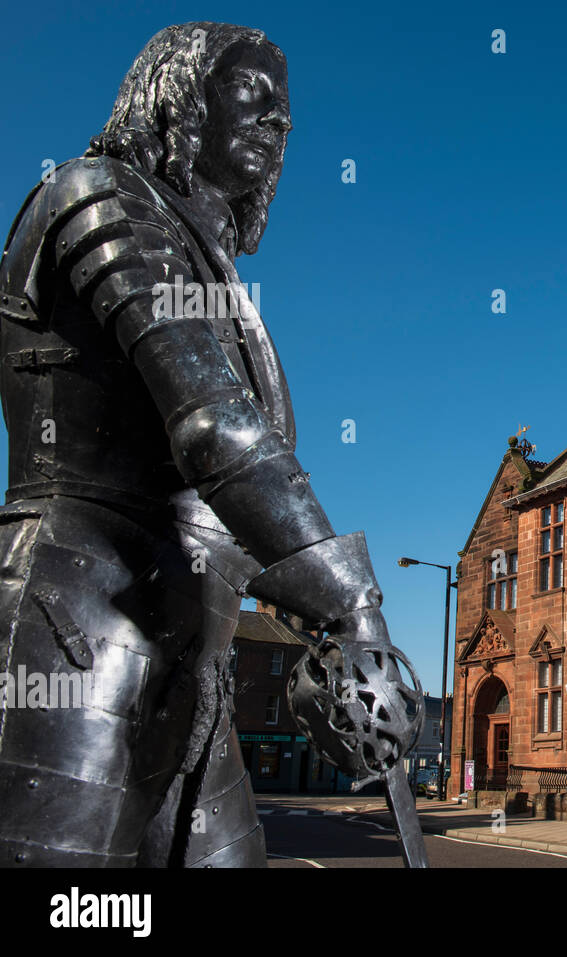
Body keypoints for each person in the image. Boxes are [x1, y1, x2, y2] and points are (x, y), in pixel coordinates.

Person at [0, 22, 419, 867]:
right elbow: (214, 426)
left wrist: (317, 633)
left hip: (199, 663)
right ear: (178, 96)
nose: (278, 122)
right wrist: (351, 609)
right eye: (250, 93)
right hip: (77, 631)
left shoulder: (214, 272)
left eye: (287, 113)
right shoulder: (97, 197)